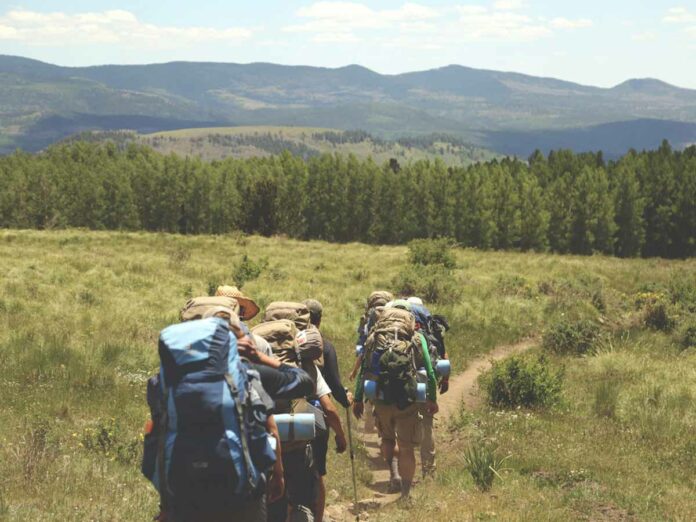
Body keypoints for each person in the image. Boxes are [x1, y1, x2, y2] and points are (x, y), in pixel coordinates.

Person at [352, 303, 438, 500]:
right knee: (406, 447)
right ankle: (406, 495)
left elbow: (364, 370)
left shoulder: (375, 337)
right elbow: (430, 372)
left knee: (387, 439)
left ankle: (393, 476)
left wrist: (358, 399)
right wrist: (431, 399)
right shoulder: (417, 338)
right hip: (407, 399)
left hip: (381, 399)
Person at [303, 299, 351, 522]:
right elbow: (334, 386)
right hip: (315, 418)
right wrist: (348, 401)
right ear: (319, 320)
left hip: (280, 416)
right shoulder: (324, 346)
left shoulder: (286, 345)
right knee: (316, 473)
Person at [406, 296, 449, 477]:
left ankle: (402, 473)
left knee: (403, 429)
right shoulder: (428, 332)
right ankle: (429, 471)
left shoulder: (399, 332)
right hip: (423, 384)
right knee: (426, 425)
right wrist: (443, 381)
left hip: (403, 387)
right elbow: (442, 358)